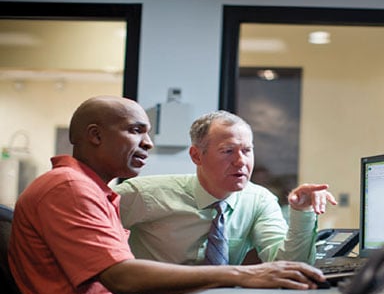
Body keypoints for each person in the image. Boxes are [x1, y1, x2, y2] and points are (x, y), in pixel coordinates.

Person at [8, 96, 325, 294]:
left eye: (247, 150)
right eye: (135, 131)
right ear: (95, 136)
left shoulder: (91, 190)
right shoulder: (71, 188)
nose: (148, 143)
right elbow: (121, 277)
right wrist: (244, 275)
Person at [114, 110, 337, 266]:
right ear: (196, 156)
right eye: (228, 151)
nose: (241, 162)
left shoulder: (258, 200)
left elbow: (287, 266)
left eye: (247, 150)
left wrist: (301, 213)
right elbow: (87, 245)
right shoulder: (142, 195)